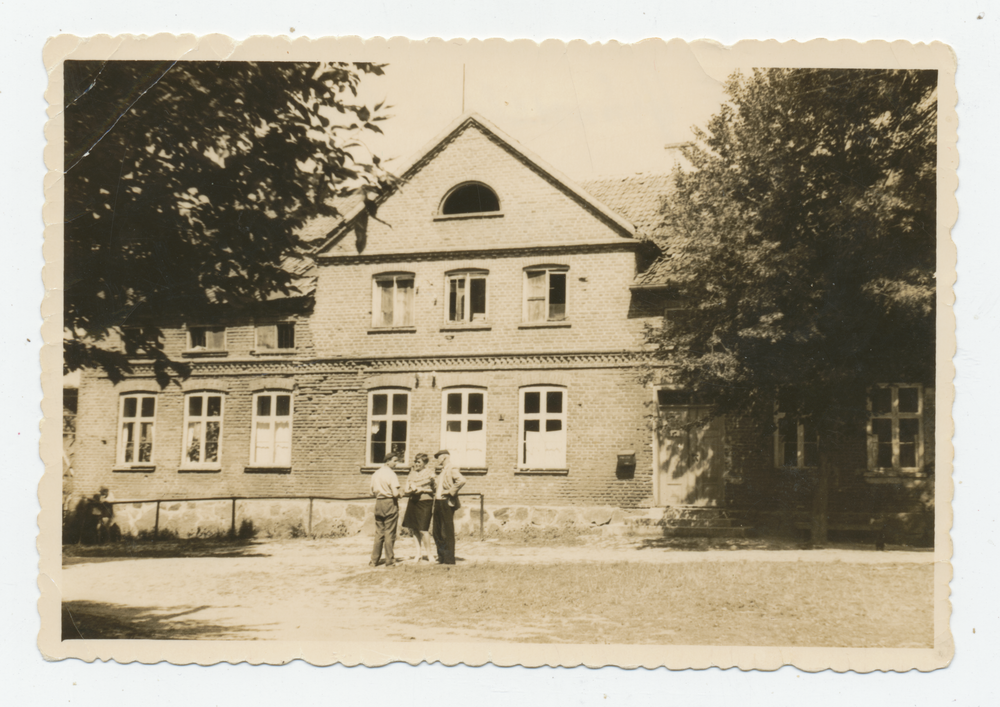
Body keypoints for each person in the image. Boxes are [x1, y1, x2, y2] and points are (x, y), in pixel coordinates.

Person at [431, 449, 466, 565]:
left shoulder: (452, 468)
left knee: (447, 531)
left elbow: (461, 480)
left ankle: (449, 559)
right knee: (436, 531)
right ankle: (441, 557)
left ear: (444, 458)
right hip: (438, 502)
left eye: (439, 457)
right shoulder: (442, 471)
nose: (437, 460)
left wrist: (450, 491)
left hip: (446, 502)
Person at [369, 451, 401, 567]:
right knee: (389, 533)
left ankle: (374, 560)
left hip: (378, 503)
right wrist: (400, 494)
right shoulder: (391, 474)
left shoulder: (375, 474)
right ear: (388, 461)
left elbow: (371, 492)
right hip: (389, 503)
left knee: (379, 533)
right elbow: (395, 493)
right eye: (395, 461)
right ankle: (390, 560)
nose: (396, 464)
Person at [401, 453, 435, 562]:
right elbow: (406, 489)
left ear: (425, 463)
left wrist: (423, 490)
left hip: (425, 502)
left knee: (423, 529)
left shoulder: (431, 473)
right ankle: (418, 553)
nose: (416, 464)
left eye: (419, 462)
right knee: (414, 528)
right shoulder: (412, 473)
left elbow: (435, 490)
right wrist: (411, 489)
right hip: (413, 502)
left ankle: (429, 554)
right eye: (415, 461)